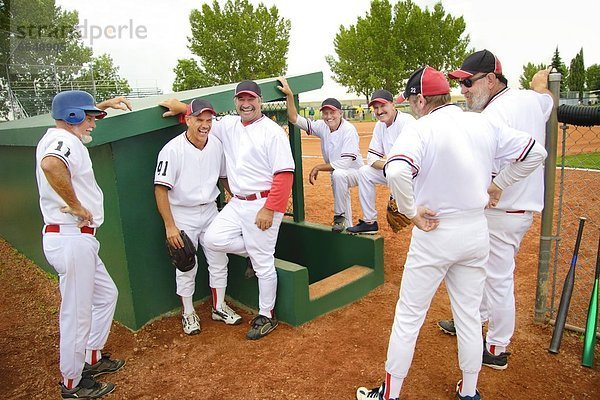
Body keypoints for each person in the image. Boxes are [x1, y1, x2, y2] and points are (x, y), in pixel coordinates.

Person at [355, 66, 547, 400]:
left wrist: (411, 211)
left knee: (409, 316)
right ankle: (469, 391)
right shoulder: (481, 121)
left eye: (411, 100)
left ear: (420, 99)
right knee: (470, 315)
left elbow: (397, 170)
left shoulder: (421, 127)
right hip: (475, 231)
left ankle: (389, 394)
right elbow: (536, 153)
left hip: (435, 232)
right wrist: (497, 185)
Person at [436, 50, 554, 371]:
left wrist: (498, 182)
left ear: (490, 79)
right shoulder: (529, 99)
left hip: (503, 209)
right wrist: (539, 83)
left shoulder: (491, 117)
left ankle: (498, 347)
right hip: (517, 209)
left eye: (469, 83)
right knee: (488, 274)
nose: (464, 90)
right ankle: (474, 321)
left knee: (497, 279)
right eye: (461, 84)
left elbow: (527, 157)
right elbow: (547, 102)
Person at [160, 80, 295, 340]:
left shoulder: (272, 131)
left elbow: (284, 175)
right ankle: (253, 252)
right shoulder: (230, 124)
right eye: (241, 99)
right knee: (212, 239)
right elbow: (202, 124)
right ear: (235, 102)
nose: (246, 104)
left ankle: (267, 314)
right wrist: (181, 108)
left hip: (263, 203)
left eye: (251, 99)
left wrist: (270, 209)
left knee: (264, 263)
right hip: (238, 203)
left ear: (260, 101)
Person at [36, 90, 132, 398]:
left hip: (75, 238)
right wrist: (75, 204)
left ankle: (90, 357)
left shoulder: (62, 135)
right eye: (89, 117)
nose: (93, 123)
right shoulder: (62, 141)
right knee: (76, 315)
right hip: (70, 236)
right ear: (73, 116)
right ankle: (72, 384)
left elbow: (59, 151)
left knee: (106, 295)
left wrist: (103, 105)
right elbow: (52, 165)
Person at [155, 98, 242, 336]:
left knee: (219, 258)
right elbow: (160, 189)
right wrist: (170, 226)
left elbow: (224, 177)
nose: (205, 125)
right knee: (186, 264)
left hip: (211, 209)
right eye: (199, 120)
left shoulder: (215, 144)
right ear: (188, 120)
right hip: (183, 212)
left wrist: (237, 198)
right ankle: (188, 311)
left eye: (208, 120)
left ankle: (219, 306)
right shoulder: (172, 149)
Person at [277, 76, 363, 232]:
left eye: (332, 112)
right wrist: (289, 95)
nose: (329, 116)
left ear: (340, 113)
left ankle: (338, 217)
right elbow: (294, 118)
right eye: (325, 113)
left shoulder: (349, 130)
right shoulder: (322, 126)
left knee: (338, 176)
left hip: (357, 173)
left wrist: (318, 167)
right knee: (340, 186)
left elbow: (344, 164)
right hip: (340, 173)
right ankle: (348, 228)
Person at [346, 89, 415, 234]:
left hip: (415, 176)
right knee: (364, 172)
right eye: (376, 108)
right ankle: (370, 222)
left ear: (393, 104)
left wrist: (395, 193)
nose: (379, 111)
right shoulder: (380, 126)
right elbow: (371, 158)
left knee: (394, 170)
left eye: (383, 106)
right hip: (393, 172)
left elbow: (411, 161)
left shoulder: (407, 122)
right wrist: (389, 167)